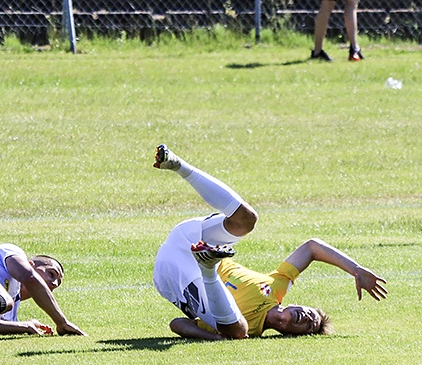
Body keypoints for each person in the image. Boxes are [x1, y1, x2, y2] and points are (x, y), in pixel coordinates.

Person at [152, 144, 387, 340]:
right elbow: (312, 247)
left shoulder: (253, 329)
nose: (307, 317)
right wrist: (355, 270)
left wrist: (218, 338)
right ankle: (179, 165)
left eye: (308, 325)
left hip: (176, 276)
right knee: (247, 220)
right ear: (297, 305)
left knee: (238, 331)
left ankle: (208, 268)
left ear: (289, 333)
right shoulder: (276, 287)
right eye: (310, 314)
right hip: (189, 243)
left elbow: (178, 324)